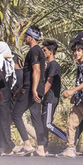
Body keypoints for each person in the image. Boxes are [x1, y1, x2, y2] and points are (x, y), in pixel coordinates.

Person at [17, 26, 47, 157]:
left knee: (15, 114)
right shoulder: (38, 50)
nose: (25, 38)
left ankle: (27, 144)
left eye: (26, 36)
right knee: (36, 117)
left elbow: (36, 70)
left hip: (31, 89)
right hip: (34, 88)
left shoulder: (34, 51)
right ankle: (41, 147)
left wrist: (33, 89)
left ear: (31, 37)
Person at [42, 40, 68, 145]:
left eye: (44, 50)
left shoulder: (53, 65)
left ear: (50, 52)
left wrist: (41, 94)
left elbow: (49, 81)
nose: (43, 53)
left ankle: (67, 140)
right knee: (44, 122)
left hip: (51, 98)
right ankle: (44, 145)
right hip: (48, 98)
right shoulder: (49, 65)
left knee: (48, 124)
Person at [0, 40, 16, 155]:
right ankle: (0, 145)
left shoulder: (2, 64)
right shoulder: (8, 63)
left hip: (2, 95)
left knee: (2, 120)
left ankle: (8, 146)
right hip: (4, 95)